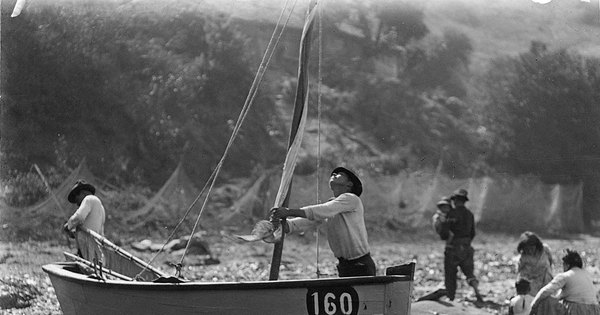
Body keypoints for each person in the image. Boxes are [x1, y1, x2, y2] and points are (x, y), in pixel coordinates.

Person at [270, 166, 376, 277]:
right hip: (345, 266)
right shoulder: (333, 206)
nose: (334, 175)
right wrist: (285, 225)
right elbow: (308, 220)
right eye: (333, 174)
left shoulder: (351, 199)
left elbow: (323, 210)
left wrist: (288, 212)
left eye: (340, 174)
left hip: (360, 265)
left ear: (349, 185)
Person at [441, 189, 483, 302]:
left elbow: (444, 233)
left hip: (453, 248)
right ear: (464, 201)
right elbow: (473, 233)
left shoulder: (451, 214)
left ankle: (451, 297)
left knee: (450, 274)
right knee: (469, 272)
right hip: (466, 247)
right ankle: (477, 292)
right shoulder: (470, 214)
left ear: (455, 201)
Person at [530, 249, 600, 315]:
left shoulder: (566, 275)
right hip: (595, 310)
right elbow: (562, 295)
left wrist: (533, 306)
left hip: (577, 310)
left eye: (563, 264)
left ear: (567, 265)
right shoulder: (586, 275)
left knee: (544, 300)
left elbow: (545, 291)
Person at [516, 231, 553, 295]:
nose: (530, 251)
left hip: (546, 281)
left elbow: (550, 261)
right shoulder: (523, 257)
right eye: (527, 249)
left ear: (536, 245)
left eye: (532, 248)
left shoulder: (545, 249)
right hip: (531, 285)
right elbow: (519, 271)